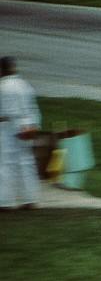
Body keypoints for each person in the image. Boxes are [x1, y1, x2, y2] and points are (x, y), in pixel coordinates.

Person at [0, 56, 42, 210]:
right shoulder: (25, 85)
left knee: (6, 163)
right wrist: (34, 126)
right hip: (27, 126)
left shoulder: (2, 87)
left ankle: (5, 201)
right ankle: (30, 198)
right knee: (26, 162)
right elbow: (34, 108)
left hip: (8, 126)